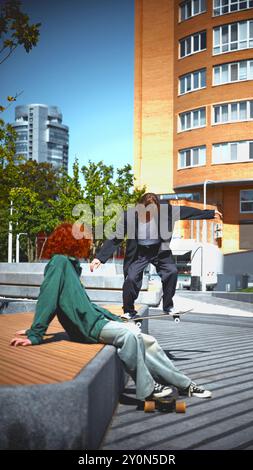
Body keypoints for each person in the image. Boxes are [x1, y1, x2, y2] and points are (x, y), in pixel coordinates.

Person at [10, 253, 212, 401]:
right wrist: (36, 333)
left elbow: (89, 306)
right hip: (90, 327)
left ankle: (185, 385)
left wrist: (116, 318)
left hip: (98, 320)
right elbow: (48, 296)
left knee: (148, 341)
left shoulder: (69, 269)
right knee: (129, 337)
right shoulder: (58, 263)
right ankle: (148, 389)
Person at [90, 192, 222, 318]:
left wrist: (210, 213)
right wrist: (99, 258)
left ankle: (168, 306)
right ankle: (129, 310)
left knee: (172, 272)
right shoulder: (129, 216)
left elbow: (186, 211)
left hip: (159, 250)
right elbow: (116, 238)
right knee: (131, 278)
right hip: (139, 253)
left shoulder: (166, 211)